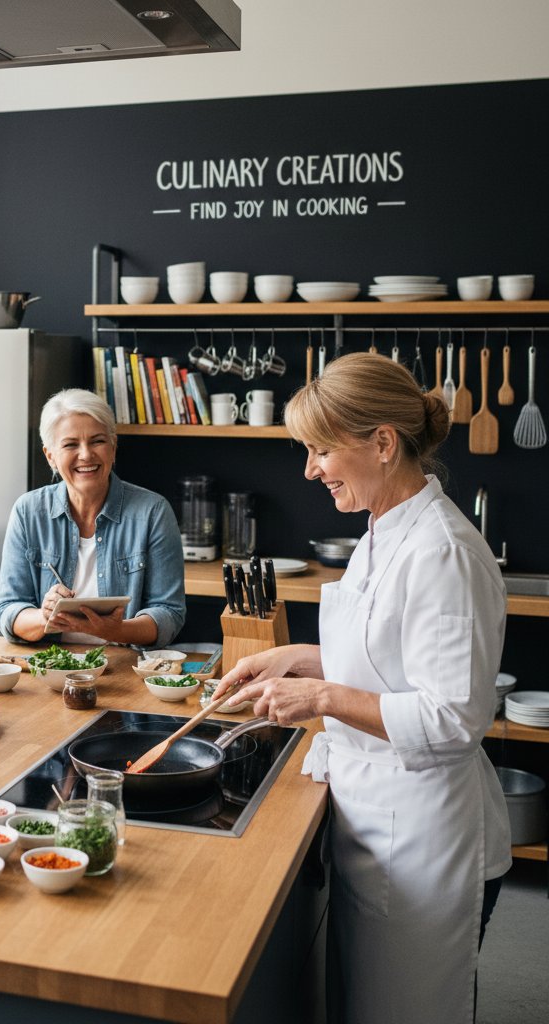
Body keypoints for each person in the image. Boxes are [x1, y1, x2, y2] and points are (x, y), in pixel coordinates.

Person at [214, 354, 510, 1024]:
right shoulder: (385, 525)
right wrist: (297, 660)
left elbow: (450, 719)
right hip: (374, 815)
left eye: (321, 450)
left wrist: (320, 699)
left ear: (382, 443)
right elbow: (389, 659)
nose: (310, 469)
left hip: (425, 838)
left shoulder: (444, 553)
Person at [0, 388, 185, 646]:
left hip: (125, 669)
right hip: (48, 666)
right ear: (50, 456)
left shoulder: (153, 512)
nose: (85, 454)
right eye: (71, 444)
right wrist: (44, 616)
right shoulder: (28, 511)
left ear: (113, 447)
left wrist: (114, 630)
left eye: (97, 441)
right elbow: (8, 610)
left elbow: (169, 613)